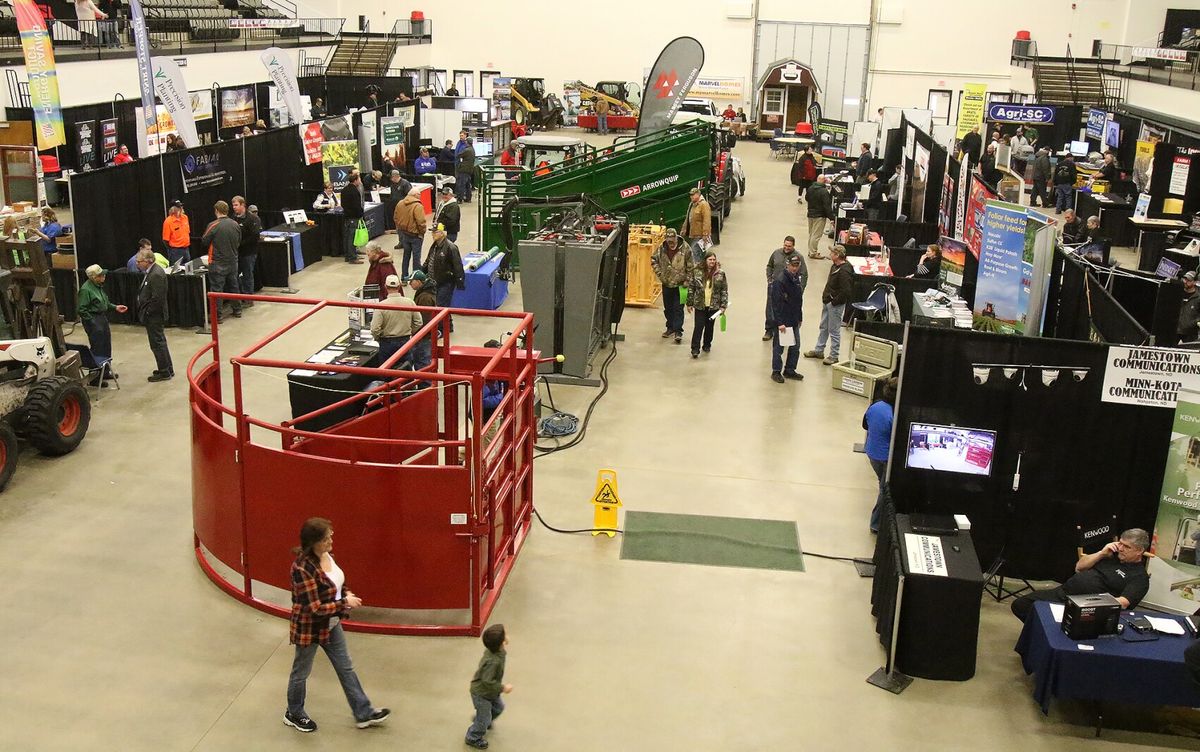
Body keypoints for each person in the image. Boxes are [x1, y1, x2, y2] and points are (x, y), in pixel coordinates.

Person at [283, 517, 390, 734]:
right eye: (326, 538)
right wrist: (344, 603)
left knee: (345, 667)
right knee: (301, 673)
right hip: (310, 629)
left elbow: (337, 581)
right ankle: (293, 713)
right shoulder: (302, 569)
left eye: (330, 535)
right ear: (314, 542)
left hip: (331, 625)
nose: (331, 540)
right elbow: (314, 608)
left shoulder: (327, 556)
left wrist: (346, 592)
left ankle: (363, 712)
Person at [1010, 529, 1151, 622]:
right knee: (1021, 605)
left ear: (1139, 551)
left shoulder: (1139, 577)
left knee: (1052, 620)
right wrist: (1101, 553)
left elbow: (1123, 602)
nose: (1120, 548)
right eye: (1120, 543)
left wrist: (1086, 605)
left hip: (1084, 608)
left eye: (1126, 547)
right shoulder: (1110, 555)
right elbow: (1079, 567)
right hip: (1064, 593)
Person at [465, 623, 512, 749]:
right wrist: (503, 688)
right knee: (484, 719)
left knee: (499, 708)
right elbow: (487, 681)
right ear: (502, 642)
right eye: (505, 634)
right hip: (481, 693)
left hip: (490, 692)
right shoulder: (493, 660)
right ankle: (473, 737)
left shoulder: (497, 651)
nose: (508, 635)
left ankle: (482, 719)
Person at [804, 245, 854, 365]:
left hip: (834, 305)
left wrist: (834, 302)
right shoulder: (835, 266)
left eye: (832, 253)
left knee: (834, 330)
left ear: (837, 255)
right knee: (824, 327)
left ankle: (834, 355)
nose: (830, 254)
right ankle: (819, 350)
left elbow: (846, 291)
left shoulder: (844, 271)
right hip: (827, 302)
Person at [78, 264, 127, 382]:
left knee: (106, 345)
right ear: (93, 277)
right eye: (101, 275)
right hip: (94, 320)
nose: (104, 276)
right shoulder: (86, 290)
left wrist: (115, 307)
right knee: (97, 347)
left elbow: (104, 302)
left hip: (102, 318)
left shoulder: (98, 286)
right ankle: (95, 378)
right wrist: (91, 321)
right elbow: (81, 309)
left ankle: (105, 372)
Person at [863, 377, 897, 533]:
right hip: (885, 458)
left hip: (871, 452)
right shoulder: (893, 416)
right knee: (885, 490)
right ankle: (876, 524)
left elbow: (865, 424)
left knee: (881, 483)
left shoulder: (875, 406)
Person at [200, 200, 243, 320]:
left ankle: (217, 316)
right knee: (234, 286)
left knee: (217, 290)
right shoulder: (235, 224)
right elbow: (239, 241)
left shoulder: (213, 225)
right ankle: (237, 310)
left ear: (216, 211)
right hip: (233, 261)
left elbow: (204, 241)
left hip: (217, 262)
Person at [135, 248, 173, 381]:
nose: (137, 264)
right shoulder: (151, 271)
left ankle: (164, 372)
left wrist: (148, 312)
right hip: (153, 314)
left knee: (157, 343)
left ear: (147, 261)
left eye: (139, 261)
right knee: (160, 341)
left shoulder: (155, 274)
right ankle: (167, 368)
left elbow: (158, 298)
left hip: (154, 316)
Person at [650, 228, 693, 345]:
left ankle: (678, 331)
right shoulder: (662, 249)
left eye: (672, 240)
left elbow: (690, 267)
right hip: (667, 283)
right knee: (668, 308)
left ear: (676, 238)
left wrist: (687, 280)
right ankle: (670, 327)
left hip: (681, 285)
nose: (670, 243)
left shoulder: (685, 248)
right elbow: (653, 260)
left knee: (678, 308)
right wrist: (660, 274)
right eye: (668, 240)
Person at [767, 253, 805, 384]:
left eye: (797, 265)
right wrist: (780, 322)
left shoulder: (795, 279)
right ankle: (776, 371)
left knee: (795, 346)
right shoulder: (780, 280)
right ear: (787, 265)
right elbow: (775, 303)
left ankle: (789, 369)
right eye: (792, 265)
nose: (794, 268)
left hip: (794, 319)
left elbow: (798, 300)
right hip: (783, 321)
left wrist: (799, 317)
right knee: (779, 347)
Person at [370, 274, 421, 367]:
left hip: (387, 342)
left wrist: (379, 338)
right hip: (405, 340)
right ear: (399, 286)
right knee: (406, 371)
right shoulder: (409, 302)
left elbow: (374, 329)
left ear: (385, 287)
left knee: (387, 371)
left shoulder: (381, 306)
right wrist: (409, 331)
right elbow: (418, 322)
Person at [686, 250, 728, 359]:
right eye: (710, 259)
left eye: (714, 260)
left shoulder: (720, 273)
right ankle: (695, 349)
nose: (712, 262)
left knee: (709, 327)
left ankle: (707, 344)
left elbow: (724, 290)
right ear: (705, 260)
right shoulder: (697, 271)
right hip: (700, 305)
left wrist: (723, 306)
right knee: (698, 327)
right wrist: (689, 303)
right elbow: (692, 287)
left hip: (713, 306)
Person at [763, 236, 806, 341]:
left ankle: (786, 333)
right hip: (774, 286)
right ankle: (769, 330)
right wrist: (769, 279)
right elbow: (769, 266)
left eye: (789, 246)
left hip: (789, 290)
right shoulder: (776, 253)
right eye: (785, 245)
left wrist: (799, 290)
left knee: (787, 311)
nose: (786, 248)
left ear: (793, 246)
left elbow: (804, 274)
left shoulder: (798, 257)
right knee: (771, 308)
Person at [423, 225, 464, 309]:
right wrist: (422, 272)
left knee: (441, 306)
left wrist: (460, 281)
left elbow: (458, 266)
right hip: (434, 282)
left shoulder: (451, 247)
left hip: (445, 283)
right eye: (432, 232)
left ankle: (445, 322)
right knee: (437, 306)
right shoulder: (434, 246)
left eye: (435, 232)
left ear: (442, 233)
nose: (433, 234)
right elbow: (429, 261)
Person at [394, 186, 428, 278]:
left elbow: (395, 218)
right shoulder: (418, 206)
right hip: (416, 235)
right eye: (419, 194)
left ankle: (404, 277)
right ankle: (416, 278)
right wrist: (422, 232)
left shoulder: (400, 203)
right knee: (416, 258)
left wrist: (400, 228)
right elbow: (421, 222)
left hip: (404, 234)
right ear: (415, 195)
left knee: (406, 256)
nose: (420, 196)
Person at [408, 270, 436, 373]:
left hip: (423, 336)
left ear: (419, 282)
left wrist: (415, 332)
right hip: (425, 335)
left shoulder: (425, 298)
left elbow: (423, 319)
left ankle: (425, 386)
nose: (409, 284)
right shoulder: (425, 293)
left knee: (422, 362)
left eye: (412, 281)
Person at [232, 195, 261, 297]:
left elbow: (255, 236)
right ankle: (240, 296)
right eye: (233, 205)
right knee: (234, 276)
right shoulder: (233, 218)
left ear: (242, 205)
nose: (234, 207)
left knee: (247, 275)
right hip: (236, 253)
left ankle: (248, 298)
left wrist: (240, 243)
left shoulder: (253, 219)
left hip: (249, 252)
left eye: (236, 205)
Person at [805, 175, 835, 260]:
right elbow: (827, 206)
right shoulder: (824, 191)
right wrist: (831, 218)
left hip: (810, 214)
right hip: (819, 216)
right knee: (816, 235)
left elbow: (806, 198)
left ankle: (810, 251)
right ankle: (813, 253)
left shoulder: (810, 188)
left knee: (811, 234)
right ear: (824, 181)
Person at [680, 187, 712, 263]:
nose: (691, 197)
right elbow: (688, 218)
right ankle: (701, 270)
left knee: (695, 253)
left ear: (698, 194)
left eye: (693, 195)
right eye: (690, 195)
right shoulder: (692, 204)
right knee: (700, 254)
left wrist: (705, 234)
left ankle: (697, 271)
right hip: (693, 235)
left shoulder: (704, 205)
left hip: (700, 236)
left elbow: (707, 220)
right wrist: (683, 229)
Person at [340, 173, 365, 265]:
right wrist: (360, 214)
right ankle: (352, 257)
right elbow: (357, 206)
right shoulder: (354, 191)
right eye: (359, 179)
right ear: (355, 180)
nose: (360, 181)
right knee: (352, 237)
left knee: (347, 237)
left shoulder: (344, 190)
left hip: (346, 216)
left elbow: (343, 204)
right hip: (354, 217)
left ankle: (348, 255)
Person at [1179, 272, 1200, 344]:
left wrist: (1193, 323)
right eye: (1185, 279)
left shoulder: (1198, 298)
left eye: (1189, 280)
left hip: (1190, 334)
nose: (1185, 282)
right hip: (1174, 331)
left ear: (1195, 282)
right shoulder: (1177, 293)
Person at [456, 136, 476, 203]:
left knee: (462, 184)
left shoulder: (467, 150)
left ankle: (460, 199)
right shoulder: (472, 149)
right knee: (468, 185)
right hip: (469, 170)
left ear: (467, 142)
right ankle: (468, 198)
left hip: (464, 169)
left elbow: (458, 155)